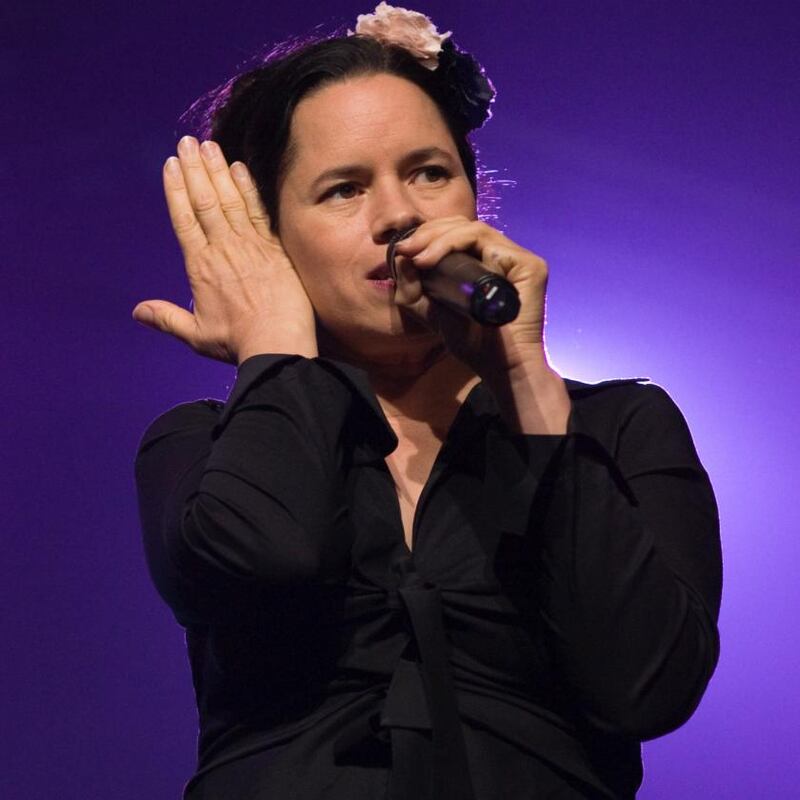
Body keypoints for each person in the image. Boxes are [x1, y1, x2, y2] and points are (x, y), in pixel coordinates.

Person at [133, 4, 722, 798]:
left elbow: (645, 685)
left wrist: (528, 389)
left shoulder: (620, 426)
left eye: (429, 173)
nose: (399, 214)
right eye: (343, 189)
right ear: (269, 240)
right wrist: (274, 342)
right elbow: (269, 559)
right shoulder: (199, 445)